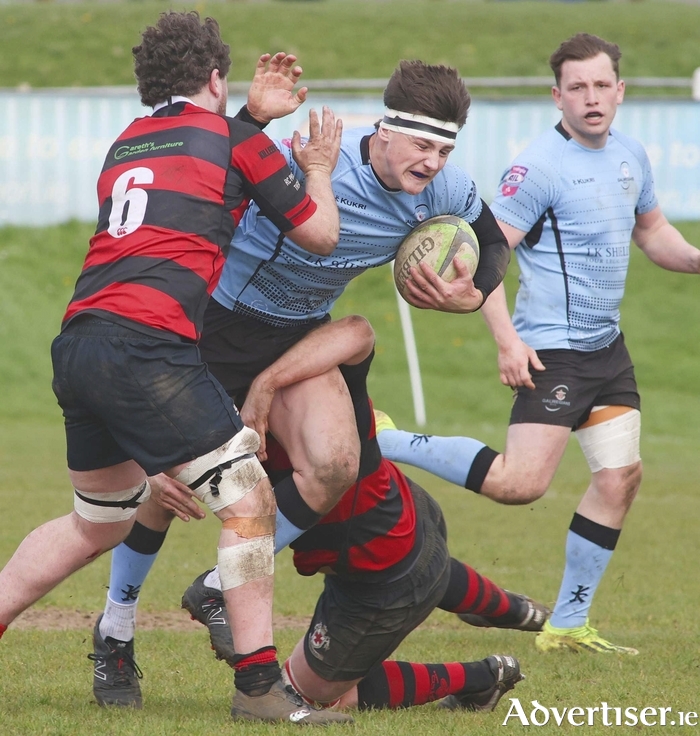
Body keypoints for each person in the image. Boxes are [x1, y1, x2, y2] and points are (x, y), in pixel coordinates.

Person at [91, 58, 512, 706]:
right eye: (423, 144)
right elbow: (213, 170)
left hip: (297, 334)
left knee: (337, 462)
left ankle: (211, 586)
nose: (433, 161)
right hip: (216, 327)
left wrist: (470, 293)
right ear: (385, 130)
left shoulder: (445, 189)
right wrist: (255, 121)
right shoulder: (316, 163)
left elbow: (493, 243)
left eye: (446, 147)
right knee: (163, 488)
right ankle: (116, 634)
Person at [0, 11, 351, 726]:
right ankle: (258, 685)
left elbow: (207, 168)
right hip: (146, 344)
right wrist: (315, 168)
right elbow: (320, 234)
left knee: (97, 520)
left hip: (81, 342)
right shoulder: (230, 141)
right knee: (249, 498)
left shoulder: (125, 145)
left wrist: (251, 116)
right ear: (216, 77)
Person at [402, 33, 700, 655]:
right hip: (553, 351)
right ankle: (384, 437)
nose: (591, 98)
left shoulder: (630, 154)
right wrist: (507, 342)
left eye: (601, 85)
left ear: (620, 91)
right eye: (577, 87)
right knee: (520, 484)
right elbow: (489, 254)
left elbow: (653, 233)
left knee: (620, 478)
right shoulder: (537, 167)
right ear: (556, 95)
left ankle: (567, 624)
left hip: (606, 351)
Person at [181, 315, 542, 714]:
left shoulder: (315, 372)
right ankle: (520, 611)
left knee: (309, 693)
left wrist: (267, 384)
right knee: (428, 567)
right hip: (400, 519)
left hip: (385, 571)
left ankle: (482, 677)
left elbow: (358, 329)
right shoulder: (215, 391)